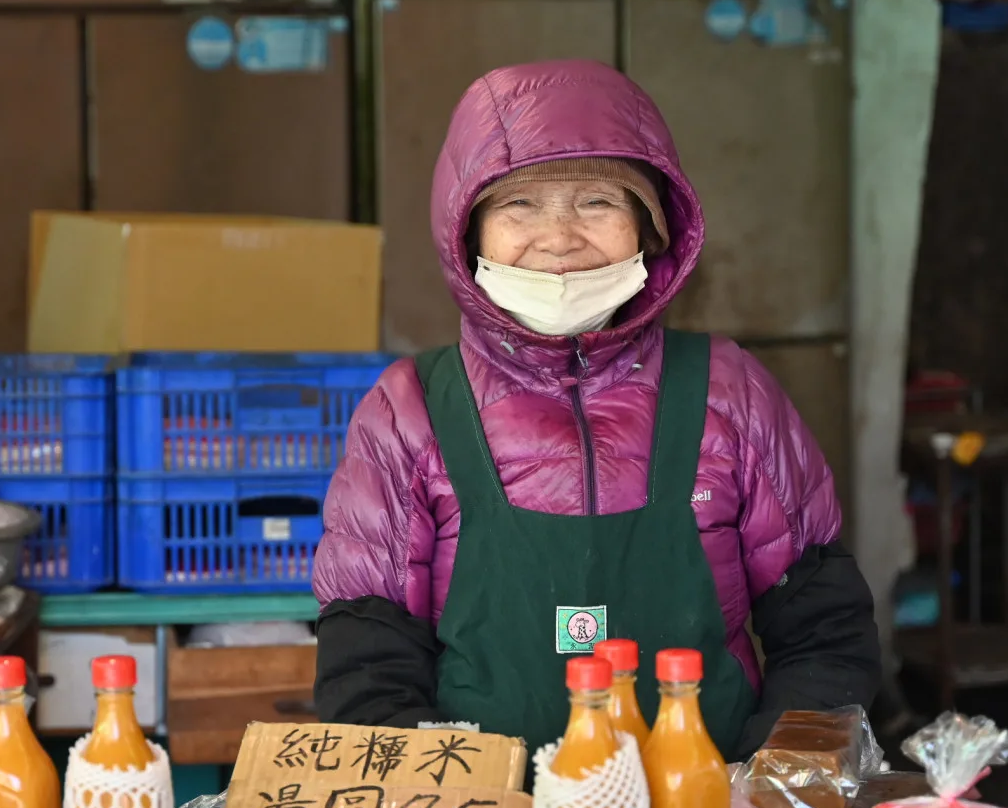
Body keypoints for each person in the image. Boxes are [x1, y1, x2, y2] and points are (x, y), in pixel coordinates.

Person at [311, 59, 879, 760]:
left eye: (596, 203)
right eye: (518, 206)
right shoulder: (410, 410)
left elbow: (825, 637)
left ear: (651, 229)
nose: (558, 238)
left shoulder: (729, 392)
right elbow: (367, 671)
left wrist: (763, 790)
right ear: (467, 234)